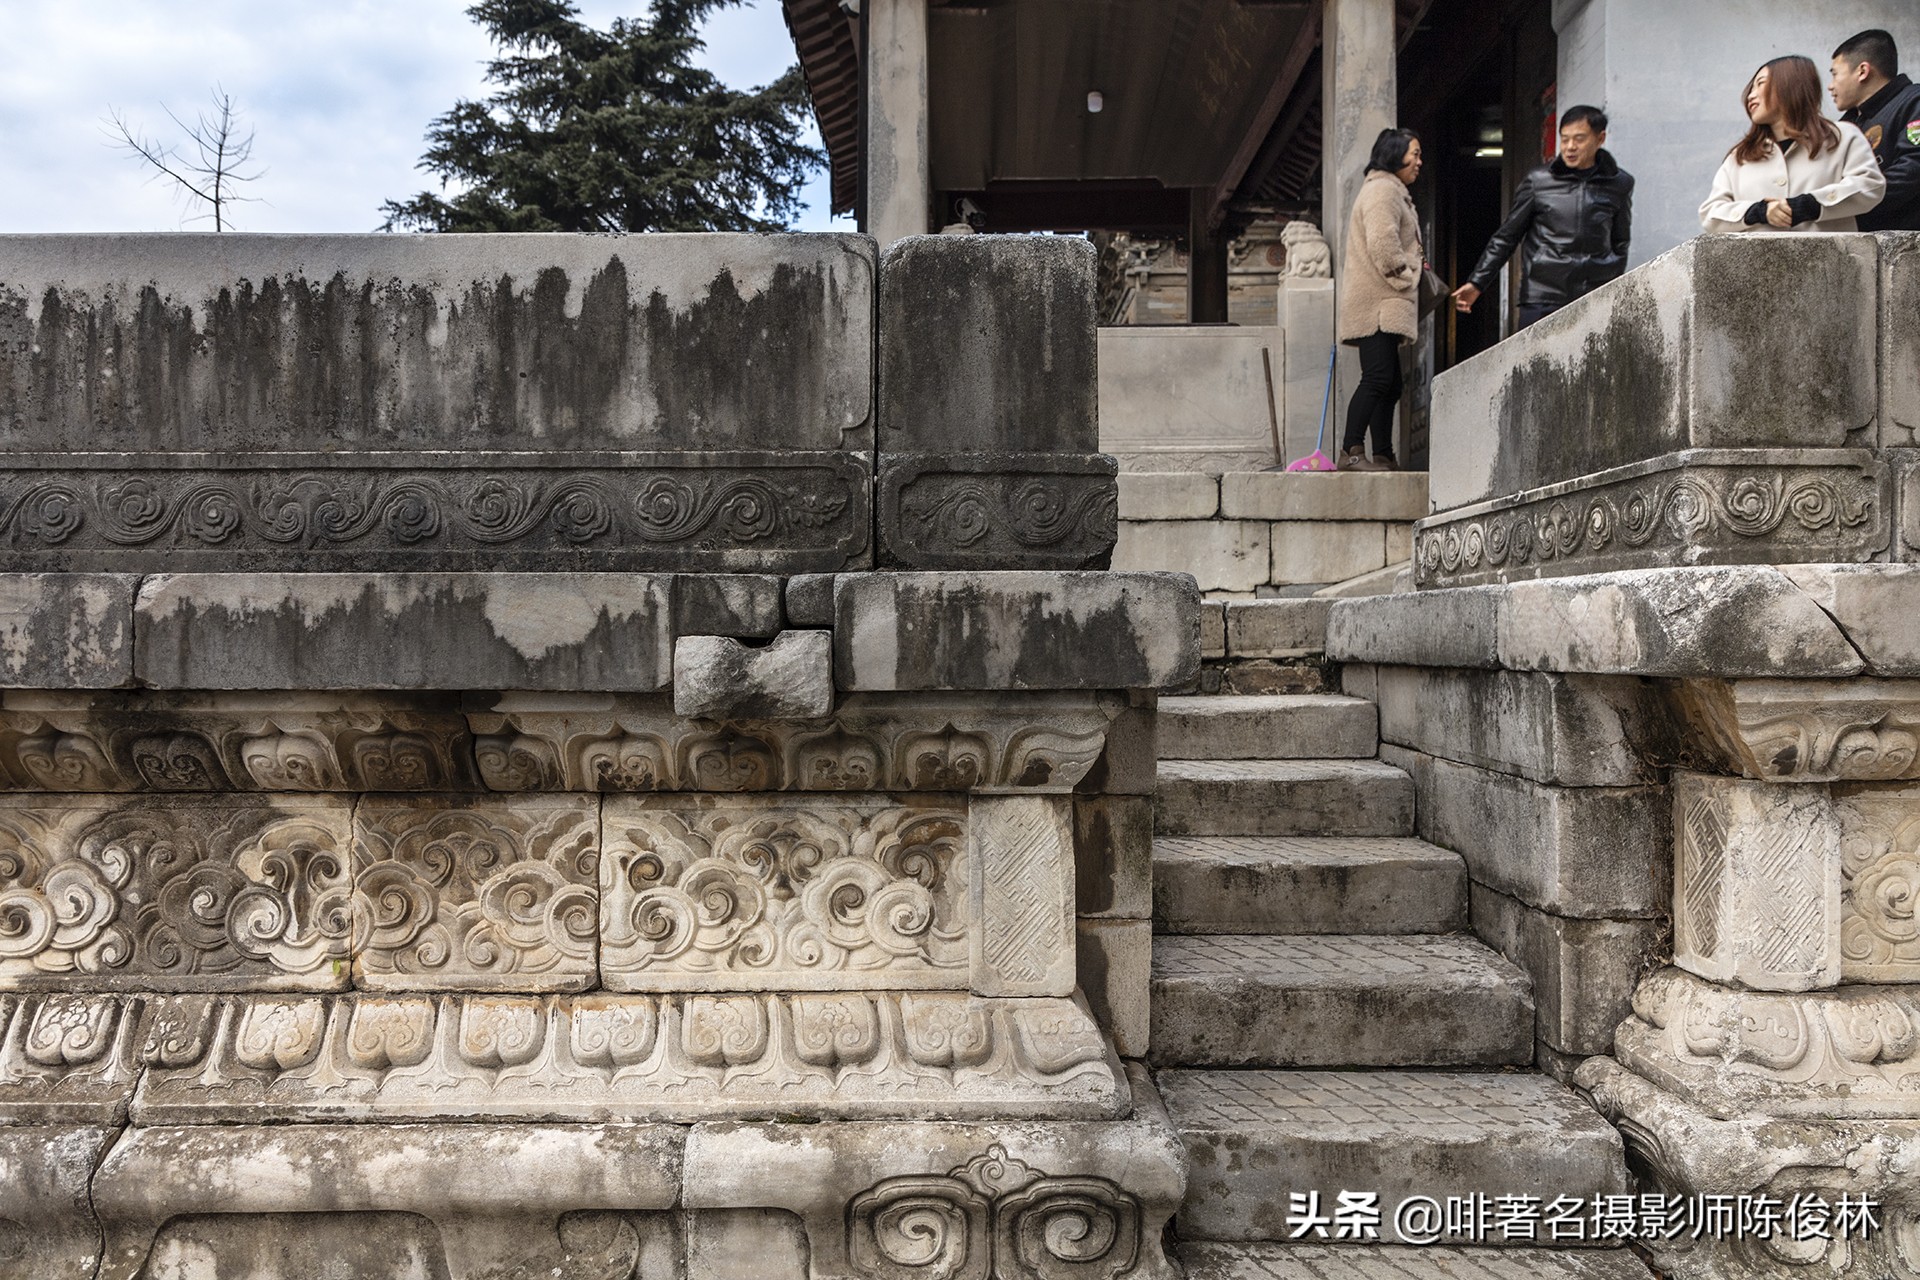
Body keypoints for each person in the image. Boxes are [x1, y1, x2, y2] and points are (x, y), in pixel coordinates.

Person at [1452, 106, 1634, 330]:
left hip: (1595, 295)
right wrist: (1478, 282)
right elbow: (1506, 237)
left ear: (1600, 138)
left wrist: (1609, 276)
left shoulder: (1619, 184)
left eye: (1579, 139)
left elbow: (1621, 240)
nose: (1569, 147)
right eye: (1564, 139)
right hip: (1543, 297)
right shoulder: (1539, 182)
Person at [1701, 55, 1884, 234]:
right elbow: (1710, 215)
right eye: (1751, 87)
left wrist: (1808, 205)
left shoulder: (1842, 136)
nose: (1750, 95)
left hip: (1831, 261)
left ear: (1790, 85)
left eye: (1761, 84)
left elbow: (1870, 185)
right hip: (1757, 263)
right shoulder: (1741, 155)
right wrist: (1759, 211)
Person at [1336, 128, 1424, 473]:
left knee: (1390, 382)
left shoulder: (1391, 190)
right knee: (1377, 378)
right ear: (1393, 155)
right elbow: (1383, 243)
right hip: (1376, 304)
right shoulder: (1383, 190)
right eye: (1413, 154)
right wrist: (1407, 275)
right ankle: (1351, 452)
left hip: (1381, 303)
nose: (1419, 161)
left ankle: (1383, 454)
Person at [1829, 28, 1920, 231]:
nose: (1830, 86)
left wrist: (1851, 201)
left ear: (1862, 71)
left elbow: (1912, 169)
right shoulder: (1851, 121)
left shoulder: (1913, 102)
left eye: (1835, 74)